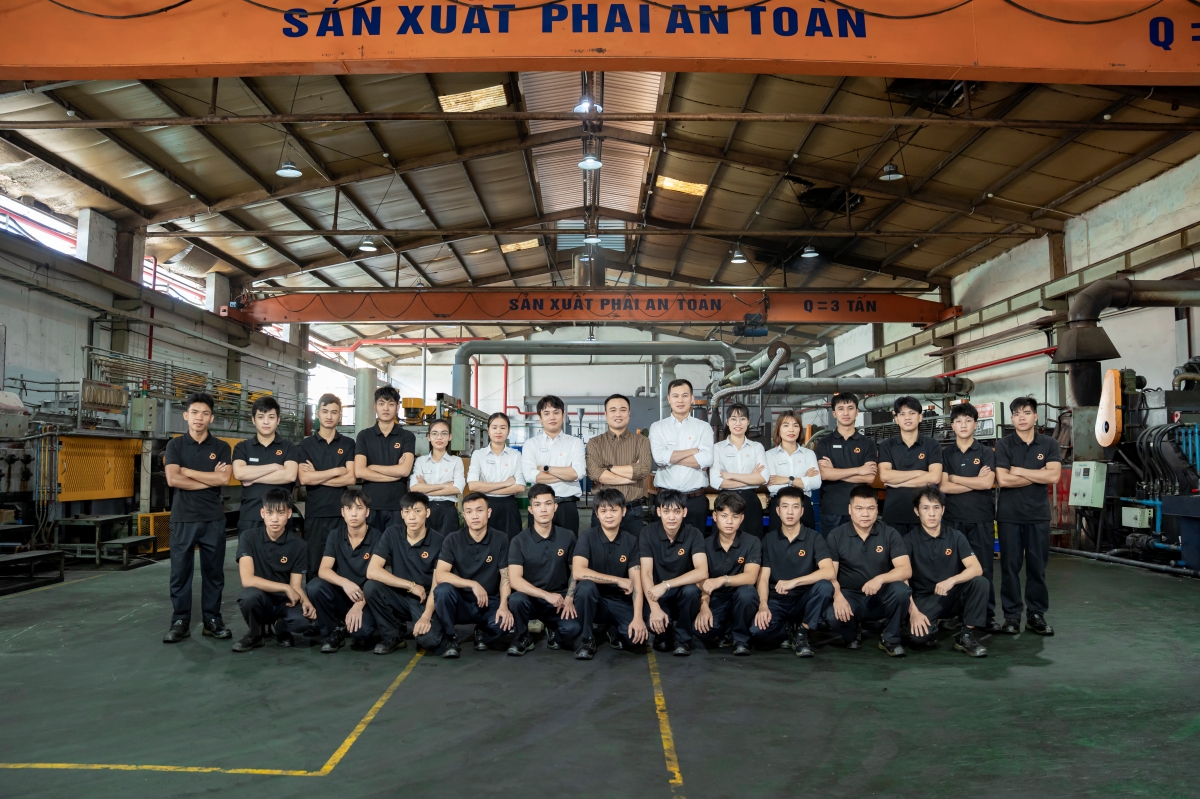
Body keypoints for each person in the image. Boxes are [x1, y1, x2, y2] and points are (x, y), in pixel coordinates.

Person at [162, 392, 234, 644]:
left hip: (213, 519)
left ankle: (212, 620)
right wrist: (209, 479)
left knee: (214, 573)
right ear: (186, 416)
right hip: (183, 519)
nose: (199, 418)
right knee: (180, 573)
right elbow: (173, 479)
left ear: (211, 418)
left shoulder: (221, 447)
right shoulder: (175, 446)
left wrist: (189, 472)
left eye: (205, 413)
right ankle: (180, 621)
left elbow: (224, 479)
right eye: (194, 413)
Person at [994, 397, 1062, 636]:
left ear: (1035, 416)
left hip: (1038, 515)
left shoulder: (1049, 443)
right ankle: (1012, 617)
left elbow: (1054, 477)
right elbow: (1003, 480)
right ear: (1012, 419)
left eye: (1026, 412)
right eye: (1016, 414)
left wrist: (1020, 471)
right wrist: (1038, 474)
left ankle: (1036, 615)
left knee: (1037, 568)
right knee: (1009, 567)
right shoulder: (1004, 444)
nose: (1021, 417)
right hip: (1009, 516)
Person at [826, 484, 912, 657]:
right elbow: (830, 575)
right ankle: (853, 629)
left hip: (881, 596)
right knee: (832, 616)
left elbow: (905, 569)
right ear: (850, 509)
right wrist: (838, 597)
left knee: (901, 590)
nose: (865, 514)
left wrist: (880, 579)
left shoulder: (890, 533)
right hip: (850, 596)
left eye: (870, 508)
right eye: (859, 508)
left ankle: (890, 638)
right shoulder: (836, 536)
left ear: (877, 509)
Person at [904, 486, 989, 657]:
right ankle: (924, 626)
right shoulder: (908, 541)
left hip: (951, 595)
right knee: (917, 639)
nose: (932, 513)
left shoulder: (956, 536)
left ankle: (966, 636)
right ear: (916, 511)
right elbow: (902, 579)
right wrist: (913, 612)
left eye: (936, 507)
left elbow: (976, 568)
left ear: (943, 510)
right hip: (924, 598)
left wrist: (952, 580)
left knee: (980, 582)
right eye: (925, 508)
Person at [750, 486, 835, 658]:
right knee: (757, 631)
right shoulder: (768, 539)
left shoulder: (814, 537)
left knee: (825, 587)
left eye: (795, 507)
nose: (790, 512)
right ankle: (787, 629)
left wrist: (794, 582)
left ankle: (802, 631)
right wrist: (763, 605)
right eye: (785, 506)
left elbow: (829, 572)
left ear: (802, 511)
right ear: (777, 511)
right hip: (777, 600)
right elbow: (763, 578)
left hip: (803, 599)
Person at [939, 402, 1000, 631]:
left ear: (976, 424)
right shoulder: (945, 454)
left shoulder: (986, 452)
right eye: (958, 421)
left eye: (968, 420)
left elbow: (987, 483)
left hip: (980, 519)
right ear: (952, 425)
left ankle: (987, 614)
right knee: (954, 568)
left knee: (983, 567)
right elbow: (944, 487)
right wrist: (974, 481)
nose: (963, 425)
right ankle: (958, 613)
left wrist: (955, 478)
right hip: (953, 520)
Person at [231, 488, 316, 652]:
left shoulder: (299, 545)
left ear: (289, 514)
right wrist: (285, 587)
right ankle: (256, 634)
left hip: (284, 601)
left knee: (303, 621)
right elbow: (247, 580)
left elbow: (296, 585)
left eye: (280, 513)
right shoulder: (248, 537)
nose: (275, 519)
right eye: (270, 513)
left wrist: (306, 601)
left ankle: (279, 627)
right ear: (262, 513)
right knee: (248, 596)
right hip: (260, 598)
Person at [431, 493, 514, 658]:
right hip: (460, 602)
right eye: (469, 512)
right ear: (464, 515)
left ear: (489, 512)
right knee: (442, 590)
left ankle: (482, 631)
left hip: (488, 602)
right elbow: (440, 575)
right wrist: (472, 584)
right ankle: (451, 638)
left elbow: (505, 577)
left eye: (479, 510)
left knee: (505, 626)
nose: (474, 516)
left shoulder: (500, 538)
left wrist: (504, 606)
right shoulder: (453, 539)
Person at [505, 484, 583, 656]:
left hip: (559, 599)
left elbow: (575, 572)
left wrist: (569, 597)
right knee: (516, 600)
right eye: (537, 504)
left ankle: (552, 627)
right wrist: (545, 595)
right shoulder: (519, 541)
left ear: (555, 507)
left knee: (573, 629)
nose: (543, 509)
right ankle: (522, 636)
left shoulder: (568, 536)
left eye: (548, 503)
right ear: (530, 509)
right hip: (531, 598)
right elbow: (515, 580)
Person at [571, 488, 649, 659]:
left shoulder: (631, 541)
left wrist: (638, 618)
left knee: (636, 639)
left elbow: (636, 583)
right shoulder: (587, 537)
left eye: (614, 510)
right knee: (585, 588)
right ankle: (587, 638)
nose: (609, 515)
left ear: (624, 511)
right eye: (603, 510)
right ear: (596, 514)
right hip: (594, 600)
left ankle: (613, 628)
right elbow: (578, 571)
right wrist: (617, 580)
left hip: (619, 600)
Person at [364, 491, 445, 654]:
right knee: (371, 587)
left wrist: (426, 615)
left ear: (427, 512)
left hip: (423, 599)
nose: (412, 517)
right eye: (407, 511)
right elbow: (372, 571)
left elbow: (437, 583)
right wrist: (410, 585)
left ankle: (431, 624)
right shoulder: (392, 533)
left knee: (429, 641)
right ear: (402, 514)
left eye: (417, 511)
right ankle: (393, 636)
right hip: (399, 595)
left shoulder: (439, 541)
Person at [306, 488, 379, 654]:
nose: (354, 514)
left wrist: (359, 604)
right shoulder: (335, 535)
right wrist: (345, 583)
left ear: (367, 512)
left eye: (359, 508)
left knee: (360, 633)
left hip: (366, 598)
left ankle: (357, 623)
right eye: (349, 508)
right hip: (343, 594)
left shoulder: (378, 537)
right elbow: (323, 570)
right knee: (315, 586)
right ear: (342, 512)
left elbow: (378, 578)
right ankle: (333, 630)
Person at [639, 488, 709, 657]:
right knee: (661, 640)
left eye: (677, 511)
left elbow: (702, 572)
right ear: (658, 512)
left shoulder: (694, 533)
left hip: (681, 594)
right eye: (666, 511)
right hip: (657, 595)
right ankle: (666, 629)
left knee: (692, 591)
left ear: (684, 512)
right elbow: (646, 574)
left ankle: (683, 638)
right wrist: (654, 608)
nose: (671, 517)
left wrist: (666, 584)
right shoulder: (647, 533)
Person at [297, 393, 357, 582]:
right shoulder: (305, 445)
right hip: (316, 514)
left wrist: (317, 476)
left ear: (340, 416)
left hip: (342, 514)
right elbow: (304, 478)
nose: (329, 416)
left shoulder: (348, 443)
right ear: (317, 413)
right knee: (314, 565)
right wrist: (336, 471)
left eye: (334, 412)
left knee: (343, 565)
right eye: (324, 411)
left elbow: (351, 477)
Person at [694, 492, 762, 657]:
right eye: (724, 516)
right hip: (716, 598)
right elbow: (700, 580)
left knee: (747, 592)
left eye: (735, 516)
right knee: (701, 631)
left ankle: (740, 639)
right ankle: (726, 630)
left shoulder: (752, 542)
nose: (729, 521)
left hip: (740, 597)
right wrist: (704, 606)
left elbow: (751, 577)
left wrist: (722, 580)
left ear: (742, 518)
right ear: (714, 516)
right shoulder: (704, 544)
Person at [649, 379, 715, 534]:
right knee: (664, 543)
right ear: (669, 399)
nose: (680, 400)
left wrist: (670, 459)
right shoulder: (657, 427)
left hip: (695, 500)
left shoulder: (703, 427)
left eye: (685, 396)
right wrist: (694, 451)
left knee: (696, 543)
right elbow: (659, 458)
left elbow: (707, 459)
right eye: (675, 396)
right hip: (666, 500)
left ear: (692, 398)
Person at [586, 393, 654, 537]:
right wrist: (630, 478)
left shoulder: (641, 441)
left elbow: (643, 469)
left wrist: (608, 468)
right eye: (613, 410)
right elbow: (595, 473)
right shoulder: (594, 443)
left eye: (623, 410)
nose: (618, 414)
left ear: (629, 413)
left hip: (632, 510)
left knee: (634, 550)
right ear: (605, 414)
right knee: (600, 549)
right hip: (603, 510)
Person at [231, 396, 299, 536]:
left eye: (271, 417)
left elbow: (290, 475)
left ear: (278, 420)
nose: (266, 422)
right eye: (261, 417)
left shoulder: (289, 447)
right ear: (253, 420)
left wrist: (252, 478)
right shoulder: (242, 447)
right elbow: (239, 473)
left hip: (281, 519)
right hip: (250, 517)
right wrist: (274, 466)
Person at [877, 396, 943, 537]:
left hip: (923, 516)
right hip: (894, 514)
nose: (907, 417)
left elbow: (935, 477)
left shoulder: (932, 445)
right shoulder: (886, 445)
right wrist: (920, 473)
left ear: (920, 417)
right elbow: (885, 476)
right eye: (902, 414)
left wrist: (899, 483)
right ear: (896, 419)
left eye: (912, 413)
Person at [355, 385, 416, 535]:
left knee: (395, 547)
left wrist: (372, 467)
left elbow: (404, 470)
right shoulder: (364, 436)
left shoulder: (407, 436)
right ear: (374, 407)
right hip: (370, 506)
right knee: (371, 547)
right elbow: (360, 471)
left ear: (397, 408)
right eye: (381, 403)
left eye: (391, 404)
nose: (386, 408)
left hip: (398, 507)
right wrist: (394, 475)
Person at [521, 395, 586, 534]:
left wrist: (546, 469)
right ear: (540, 418)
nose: (552, 417)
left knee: (569, 545)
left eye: (556, 412)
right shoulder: (531, 444)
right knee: (536, 545)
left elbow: (578, 473)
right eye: (546, 413)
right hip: (540, 506)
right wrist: (566, 475)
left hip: (567, 506)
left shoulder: (575, 443)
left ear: (563, 416)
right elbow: (530, 476)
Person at [815, 393, 878, 537]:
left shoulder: (867, 443)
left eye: (850, 408)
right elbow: (824, 474)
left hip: (860, 509)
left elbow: (869, 478)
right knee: (831, 549)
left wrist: (834, 472)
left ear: (857, 412)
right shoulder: (825, 442)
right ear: (834, 413)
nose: (845, 413)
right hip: (832, 509)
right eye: (841, 408)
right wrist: (859, 470)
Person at [709, 403, 768, 539]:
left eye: (742, 418)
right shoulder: (717, 448)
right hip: (725, 502)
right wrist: (751, 478)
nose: (738, 423)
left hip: (750, 502)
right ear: (727, 422)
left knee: (753, 541)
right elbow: (716, 481)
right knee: (724, 542)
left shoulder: (757, 447)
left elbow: (763, 477)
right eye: (734, 419)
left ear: (748, 421)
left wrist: (729, 475)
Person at [466, 412, 525, 540]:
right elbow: (473, 485)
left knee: (511, 543)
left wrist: (485, 488)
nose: (498, 431)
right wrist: (505, 484)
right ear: (488, 430)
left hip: (509, 507)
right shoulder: (478, 455)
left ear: (508, 430)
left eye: (503, 427)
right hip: (484, 506)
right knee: (485, 543)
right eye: (494, 427)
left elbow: (520, 487)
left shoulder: (515, 455)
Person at [765, 410, 820, 532]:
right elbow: (772, 487)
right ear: (778, 429)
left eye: (795, 426)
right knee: (777, 540)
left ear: (800, 429)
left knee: (807, 540)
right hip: (779, 504)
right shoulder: (769, 455)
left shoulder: (809, 454)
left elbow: (816, 483)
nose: (791, 430)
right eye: (786, 425)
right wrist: (803, 480)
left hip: (804, 504)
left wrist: (787, 480)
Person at [409, 419, 464, 535]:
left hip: (448, 511)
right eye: (435, 433)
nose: (439, 437)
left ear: (450, 437)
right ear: (429, 437)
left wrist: (425, 487)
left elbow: (457, 488)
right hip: (425, 509)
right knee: (425, 543)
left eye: (444, 433)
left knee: (448, 544)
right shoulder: (421, 461)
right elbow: (414, 488)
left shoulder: (456, 461)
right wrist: (444, 486)